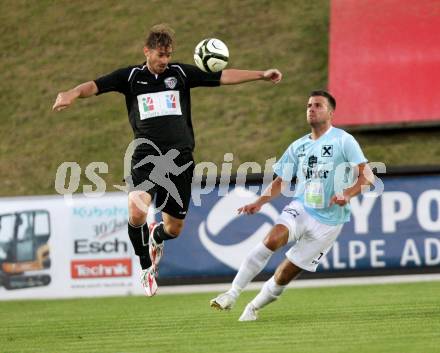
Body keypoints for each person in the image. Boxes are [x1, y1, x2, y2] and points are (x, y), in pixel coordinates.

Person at [52, 24, 282, 297]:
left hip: (180, 160)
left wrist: (261, 75)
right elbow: (95, 85)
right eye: (160, 55)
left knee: (174, 229)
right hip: (145, 156)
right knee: (137, 210)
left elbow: (223, 76)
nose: (164, 61)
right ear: (146, 51)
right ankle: (146, 266)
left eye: (168, 55)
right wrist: (72, 93)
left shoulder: (180, 74)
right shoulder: (130, 77)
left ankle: (157, 236)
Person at [210, 90, 373, 321]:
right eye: (309, 105)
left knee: (285, 274)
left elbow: (368, 177)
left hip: (330, 222)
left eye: (317, 105)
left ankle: (253, 308)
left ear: (330, 113)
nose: (311, 109)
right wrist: (259, 202)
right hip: (302, 207)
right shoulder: (298, 146)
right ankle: (232, 294)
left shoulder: (344, 140)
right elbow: (281, 181)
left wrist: (347, 194)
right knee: (272, 239)